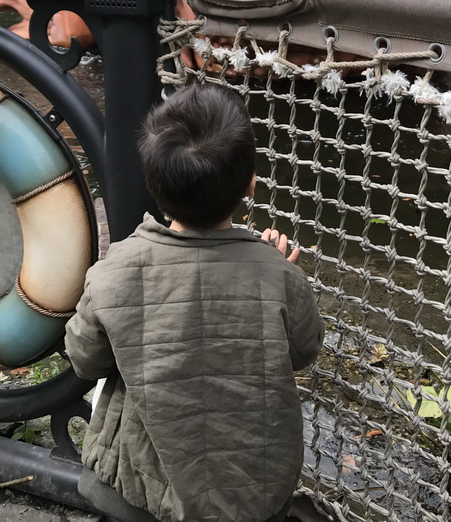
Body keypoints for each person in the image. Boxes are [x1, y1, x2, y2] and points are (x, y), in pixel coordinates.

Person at [65, 83, 324, 522]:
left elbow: (84, 358)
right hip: (252, 488)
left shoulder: (117, 268)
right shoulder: (278, 274)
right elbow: (304, 350)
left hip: (140, 484)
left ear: (153, 182)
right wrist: (273, 266)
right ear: (250, 185)